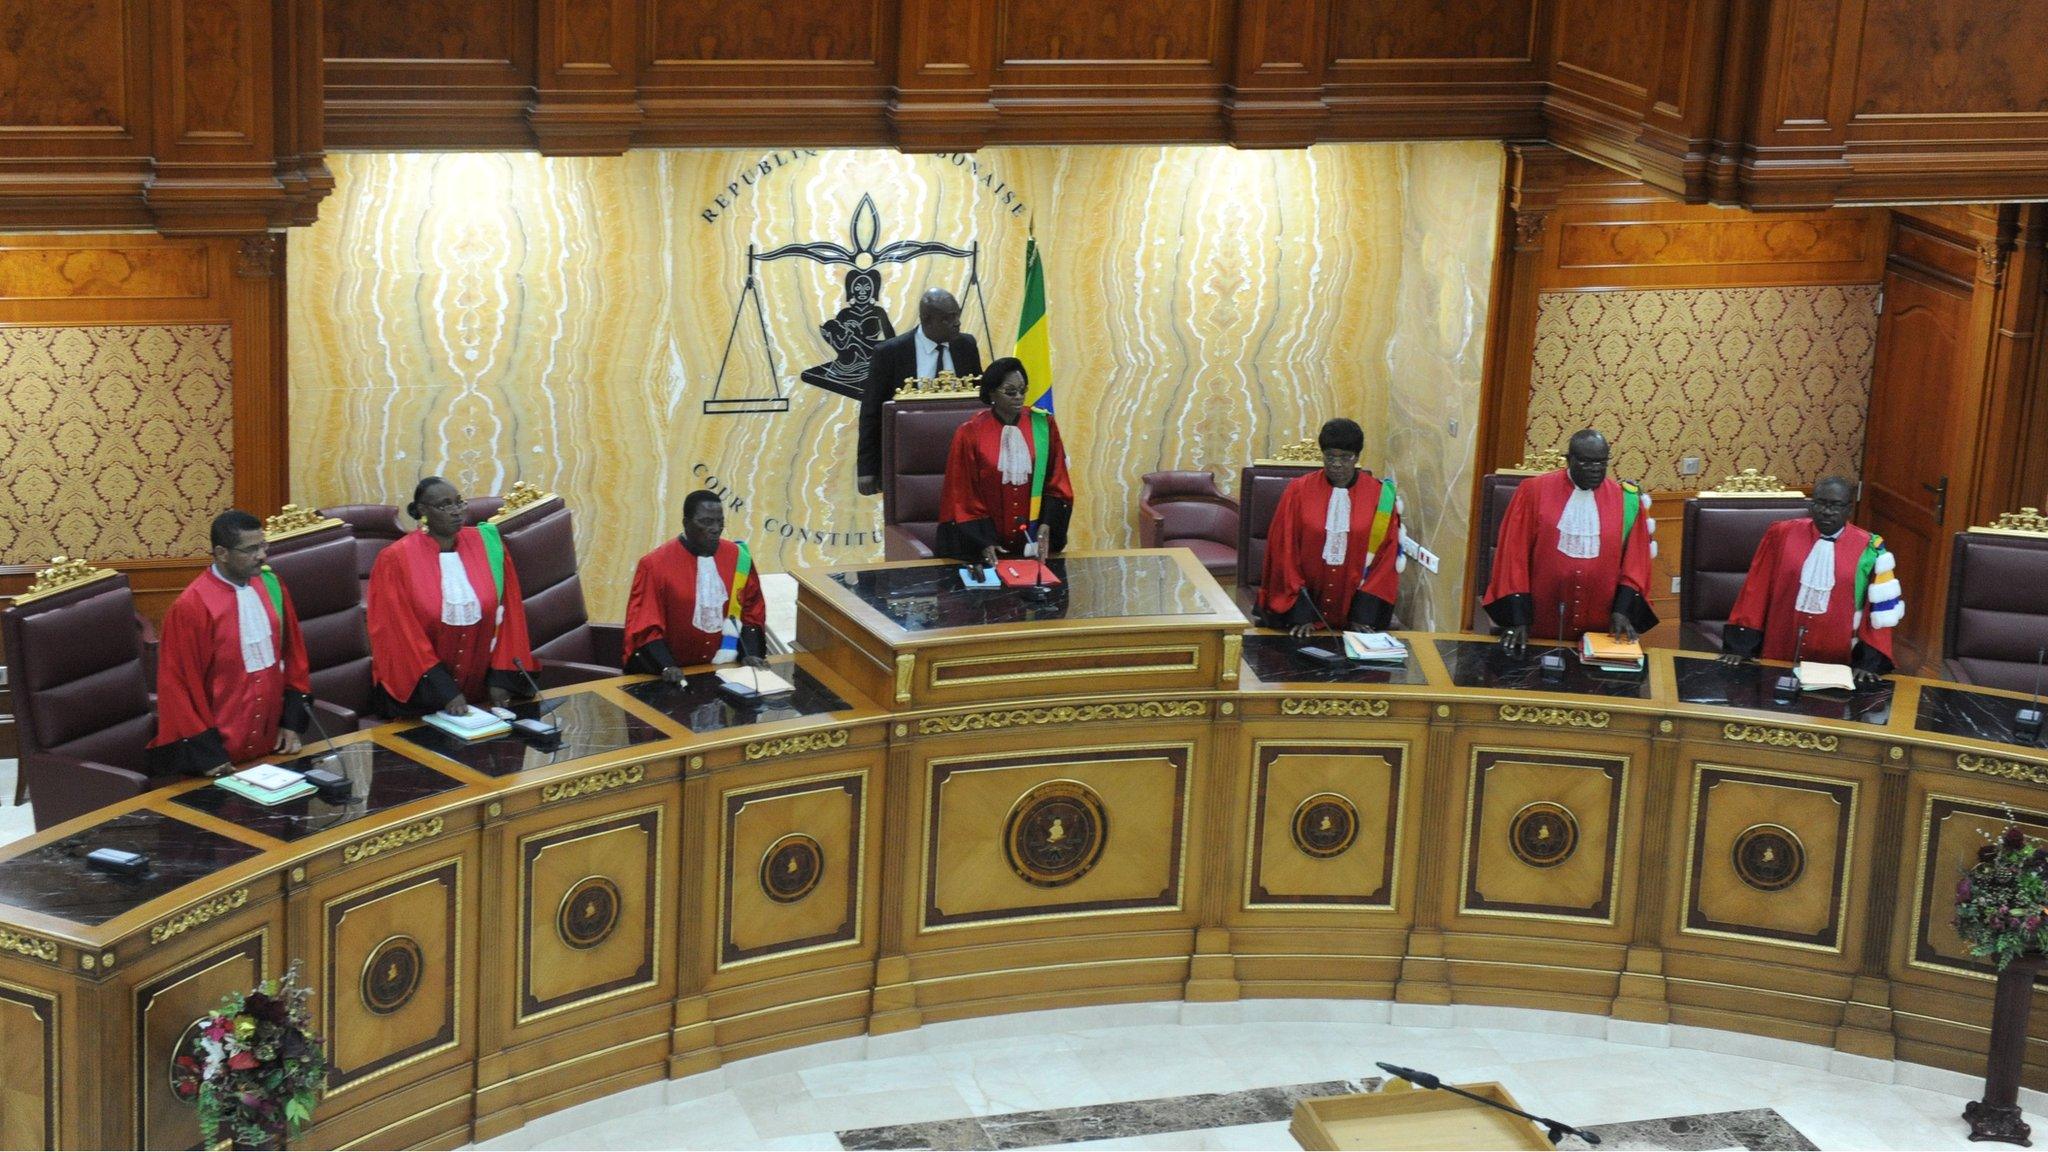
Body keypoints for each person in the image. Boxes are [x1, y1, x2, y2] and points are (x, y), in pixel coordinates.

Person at [146, 510, 314, 776]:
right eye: (250, 549)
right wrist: (209, 756)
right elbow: (178, 687)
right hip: (220, 760)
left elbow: (295, 656)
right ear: (222, 553)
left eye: (263, 545)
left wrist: (292, 723)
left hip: (273, 750)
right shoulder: (192, 606)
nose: (261, 555)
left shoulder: (272, 584)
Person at [367, 476, 537, 716]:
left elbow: (511, 615)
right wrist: (443, 690)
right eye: (445, 506)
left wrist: (502, 677)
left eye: (459, 502)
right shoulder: (394, 559)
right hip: (422, 698)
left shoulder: (488, 545)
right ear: (423, 511)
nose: (457, 512)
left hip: (482, 695)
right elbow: (398, 632)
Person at [1484, 428, 1658, 656]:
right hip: (1538, 619)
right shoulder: (1533, 491)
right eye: (1586, 462)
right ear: (1569, 459)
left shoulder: (1627, 500)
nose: (1596, 469)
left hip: (1602, 624)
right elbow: (1513, 555)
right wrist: (1518, 618)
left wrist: (1623, 611)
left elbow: (1636, 563)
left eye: (1601, 462)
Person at [1719, 475, 1903, 683]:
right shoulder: (1781, 534)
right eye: (1820, 503)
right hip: (1779, 649)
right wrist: (1741, 646)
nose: (1826, 511)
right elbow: (1756, 590)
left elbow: (1878, 612)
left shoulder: (1870, 548)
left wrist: (1868, 662)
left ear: (1849, 509)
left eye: (1835, 505)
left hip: (1836, 660)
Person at [1256, 418, 1404, 635]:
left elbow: (1386, 557)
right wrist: (1301, 613)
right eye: (1330, 456)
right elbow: (1284, 550)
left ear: (1357, 457)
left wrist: (1362, 616)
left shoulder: (1380, 496)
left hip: (1356, 614)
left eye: (1345, 457)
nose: (1336, 464)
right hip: (1302, 613)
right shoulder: (1297, 491)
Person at [935, 357, 1074, 569]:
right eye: (1010, 392)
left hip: (1034, 542)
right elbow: (962, 493)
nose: (1019, 397)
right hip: (986, 546)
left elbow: (1058, 478)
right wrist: (982, 540)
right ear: (992, 393)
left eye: (1022, 390)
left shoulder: (1044, 425)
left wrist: (1048, 524)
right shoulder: (970, 432)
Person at [623, 490, 770, 683]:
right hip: (673, 674)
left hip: (726, 672)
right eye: (706, 522)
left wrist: (749, 654)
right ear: (686, 523)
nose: (715, 529)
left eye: (720, 522)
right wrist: (666, 666)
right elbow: (645, 626)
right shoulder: (654, 566)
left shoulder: (739, 558)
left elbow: (751, 612)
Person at [856, 287, 983, 496]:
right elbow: (871, 413)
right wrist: (867, 469)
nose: (957, 323)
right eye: (948, 318)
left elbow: (978, 402)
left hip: (960, 459)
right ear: (927, 320)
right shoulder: (890, 353)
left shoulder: (966, 345)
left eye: (957, 315)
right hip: (909, 461)